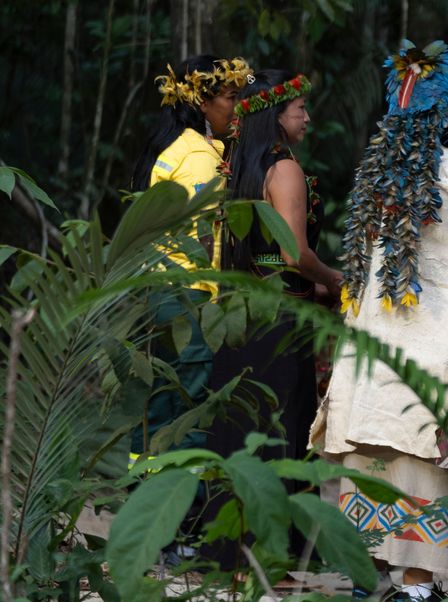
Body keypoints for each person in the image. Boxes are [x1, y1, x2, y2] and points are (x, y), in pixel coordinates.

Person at [310, 40, 448, 601]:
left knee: (374, 449)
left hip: (375, 341)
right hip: (437, 342)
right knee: (428, 455)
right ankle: (418, 587)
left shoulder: (377, 179)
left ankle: (364, 574)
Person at [205, 69, 341, 569]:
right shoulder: (283, 169)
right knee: (284, 422)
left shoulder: (239, 163)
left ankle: (232, 548)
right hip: (280, 313)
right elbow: (292, 253)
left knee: (240, 421)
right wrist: (334, 279)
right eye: (299, 108)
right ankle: (279, 552)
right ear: (276, 114)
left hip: (240, 311)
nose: (306, 116)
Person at [129, 55, 252, 457]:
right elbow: (201, 234)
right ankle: (187, 509)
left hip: (155, 288)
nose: (236, 107)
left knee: (156, 403)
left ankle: (141, 493)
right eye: (231, 97)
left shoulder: (169, 148)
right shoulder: (201, 158)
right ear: (203, 103)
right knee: (189, 408)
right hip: (188, 294)